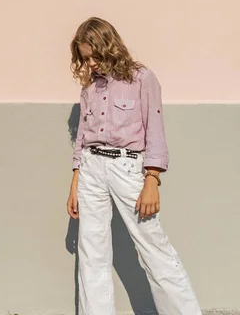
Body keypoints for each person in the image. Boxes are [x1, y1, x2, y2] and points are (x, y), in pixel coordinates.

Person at [66, 17, 201, 314]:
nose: (92, 64)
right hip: (90, 170)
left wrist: (152, 179)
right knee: (92, 256)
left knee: (155, 249)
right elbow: (83, 138)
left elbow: (155, 131)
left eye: (95, 56)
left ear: (109, 46)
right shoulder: (89, 86)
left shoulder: (142, 78)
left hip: (127, 168)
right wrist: (76, 178)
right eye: (85, 58)